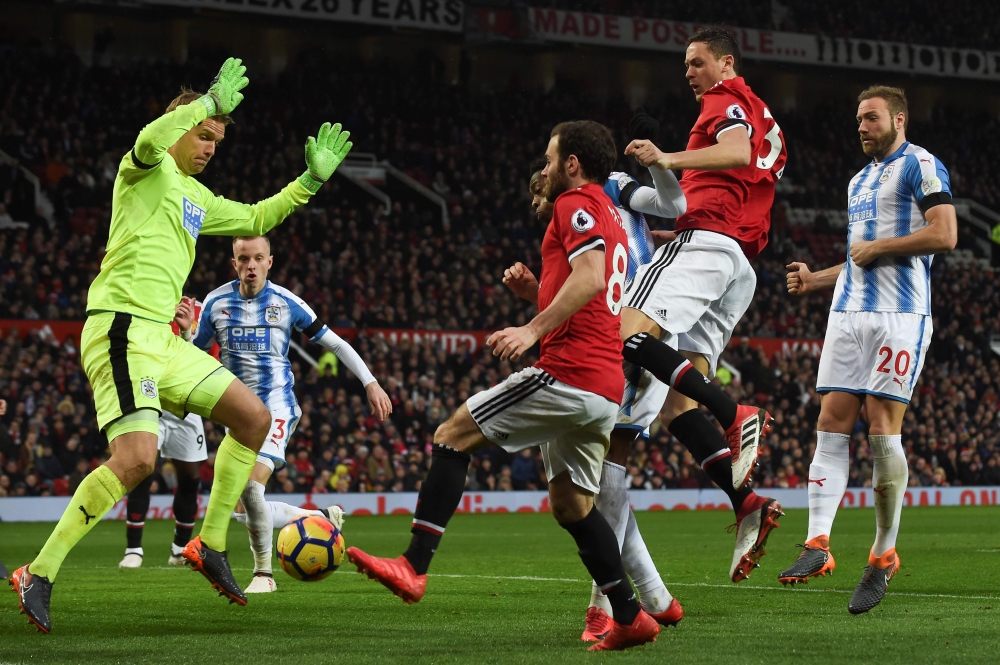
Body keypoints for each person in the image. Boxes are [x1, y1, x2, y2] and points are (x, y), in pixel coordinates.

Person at [10, 57, 353, 633]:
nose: (211, 144)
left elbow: (255, 215)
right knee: (138, 460)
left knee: (253, 417)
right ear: (182, 124)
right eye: (204, 134)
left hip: (163, 340)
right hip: (120, 327)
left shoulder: (196, 197)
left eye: (217, 138)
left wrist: (311, 181)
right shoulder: (141, 169)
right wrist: (208, 104)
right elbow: (149, 138)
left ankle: (208, 543)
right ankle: (38, 572)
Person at [347, 120, 659, 652]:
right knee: (572, 506)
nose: (543, 167)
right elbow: (590, 294)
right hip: (603, 387)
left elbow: (589, 278)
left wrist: (530, 329)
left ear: (573, 164)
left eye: (549, 156)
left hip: (569, 372)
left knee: (452, 434)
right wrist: (535, 296)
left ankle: (414, 566)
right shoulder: (611, 212)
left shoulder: (574, 203)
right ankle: (630, 615)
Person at [781, 85, 956, 614]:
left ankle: (882, 555)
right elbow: (859, 257)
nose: (862, 126)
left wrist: (878, 247)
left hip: (899, 316)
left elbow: (945, 234)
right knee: (830, 421)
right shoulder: (858, 180)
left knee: (882, 427)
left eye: (872, 118)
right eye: (858, 119)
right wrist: (818, 279)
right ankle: (817, 543)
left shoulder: (920, 164)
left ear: (899, 120)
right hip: (848, 313)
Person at [621, 27, 788, 583]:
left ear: (726, 63)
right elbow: (747, 168)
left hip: (711, 242)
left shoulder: (726, 98)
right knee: (676, 405)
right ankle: (746, 503)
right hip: (737, 260)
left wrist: (664, 155)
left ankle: (734, 411)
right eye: (686, 64)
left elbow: (736, 153)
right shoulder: (762, 112)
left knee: (627, 330)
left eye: (697, 62)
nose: (688, 72)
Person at [532, 153, 687, 639]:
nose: (540, 205)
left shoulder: (609, 189)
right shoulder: (576, 227)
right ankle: (656, 597)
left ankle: (604, 605)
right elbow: (588, 297)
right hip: (616, 338)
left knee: (609, 467)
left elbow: (671, 203)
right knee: (602, 478)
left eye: (541, 195)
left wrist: (661, 162)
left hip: (639, 330)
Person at [186, 235, 392, 593]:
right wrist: (189, 330)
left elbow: (336, 343)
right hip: (237, 415)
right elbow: (194, 357)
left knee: (251, 488)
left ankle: (263, 575)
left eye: (258, 258)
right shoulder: (217, 302)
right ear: (233, 263)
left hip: (276, 406)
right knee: (242, 509)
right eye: (243, 258)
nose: (251, 265)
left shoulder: (286, 302)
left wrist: (370, 382)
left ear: (270, 262)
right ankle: (319, 518)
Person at [119, 299, 213, 570]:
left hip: (187, 406)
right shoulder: (150, 305)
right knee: (142, 471)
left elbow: (205, 360)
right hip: (152, 402)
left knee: (189, 481)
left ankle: (180, 549)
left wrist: (186, 333)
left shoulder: (201, 312)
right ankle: (133, 549)